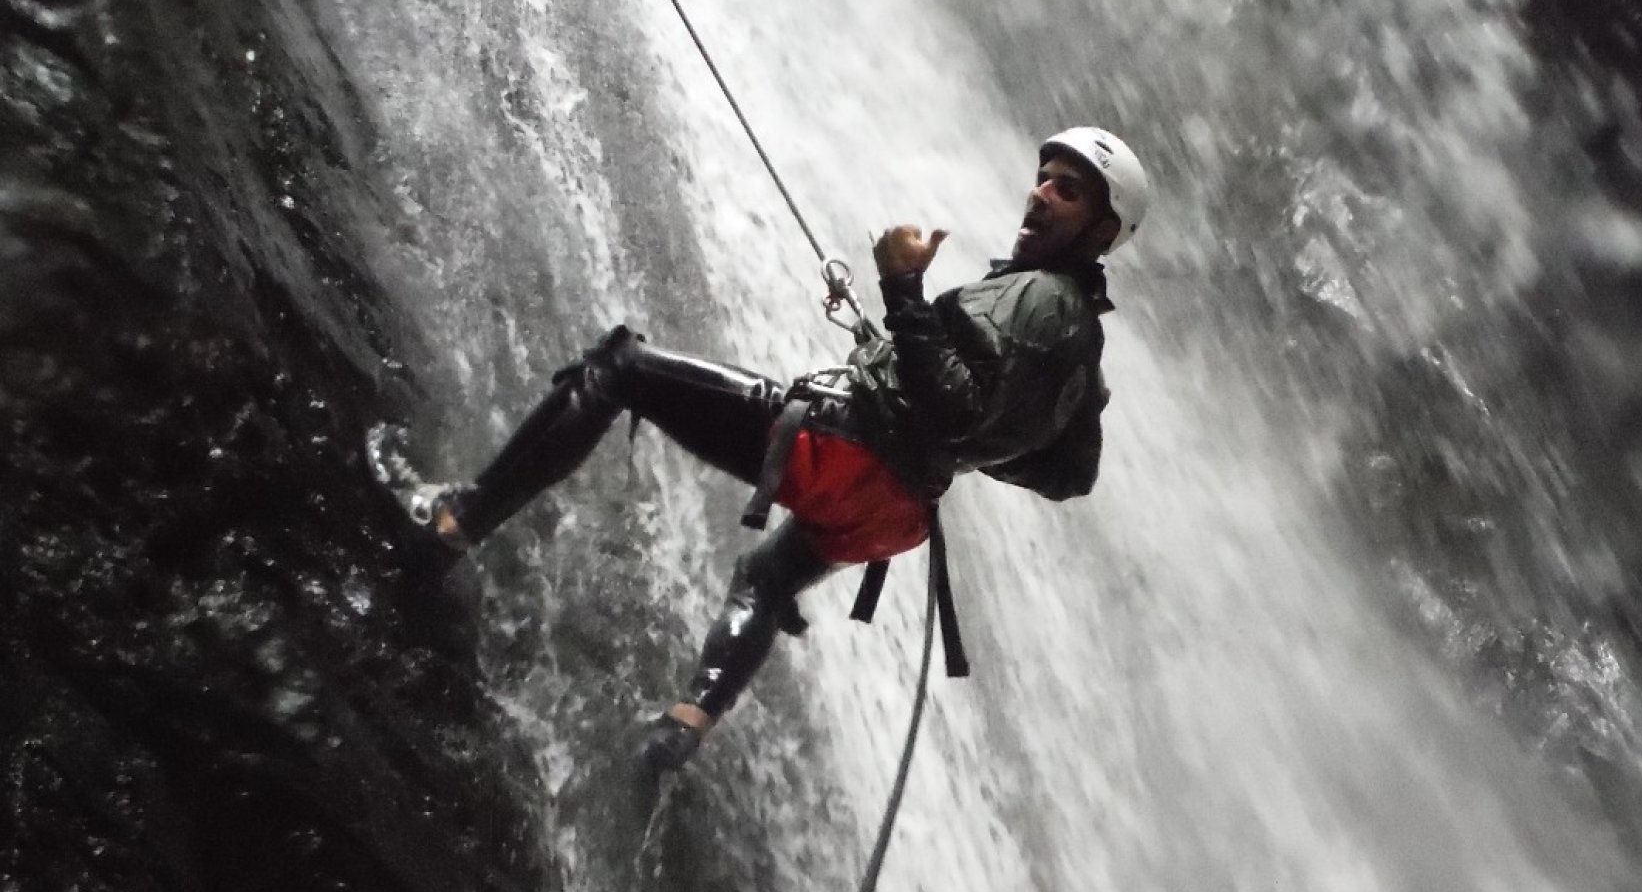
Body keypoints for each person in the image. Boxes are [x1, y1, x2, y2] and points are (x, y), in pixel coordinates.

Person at [375, 127, 1148, 810]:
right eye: (1044, 177)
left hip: (844, 453)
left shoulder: (1037, 299)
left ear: (1103, 228)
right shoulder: (1084, 342)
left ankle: (454, 520)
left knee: (621, 367)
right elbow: (1066, 472)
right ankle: (684, 723)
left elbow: (953, 405)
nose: (1040, 193)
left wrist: (903, 289)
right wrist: (963, 447)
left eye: (1067, 190)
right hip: (896, 514)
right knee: (766, 579)